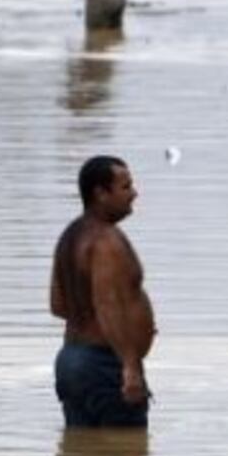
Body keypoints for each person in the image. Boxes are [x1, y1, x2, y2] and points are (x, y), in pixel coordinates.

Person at [51, 155, 155, 427]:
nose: (134, 194)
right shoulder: (107, 241)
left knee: (81, 450)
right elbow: (107, 305)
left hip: (70, 361)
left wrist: (88, 324)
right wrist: (130, 367)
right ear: (101, 193)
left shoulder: (70, 236)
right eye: (125, 187)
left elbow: (57, 304)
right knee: (127, 448)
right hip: (105, 365)